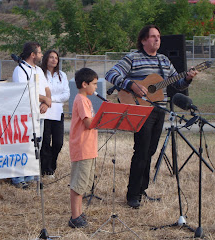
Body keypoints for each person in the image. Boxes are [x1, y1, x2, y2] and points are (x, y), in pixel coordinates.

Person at [105, 25, 198, 208]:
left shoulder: (164, 61)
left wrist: (187, 78)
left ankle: (141, 190)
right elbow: (111, 74)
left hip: (159, 110)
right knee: (141, 151)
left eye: (159, 37)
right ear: (143, 40)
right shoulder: (133, 57)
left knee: (150, 151)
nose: (157, 40)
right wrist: (131, 85)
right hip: (140, 110)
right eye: (153, 37)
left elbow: (177, 84)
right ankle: (132, 194)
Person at [12, 41, 51, 189]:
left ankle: (29, 175)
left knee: (36, 145)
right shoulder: (20, 69)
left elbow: (47, 89)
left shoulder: (39, 71)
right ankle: (18, 177)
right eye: (40, 53)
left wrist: (46, 102)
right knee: (23, 145)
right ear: (32, 54)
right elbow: (25, 90)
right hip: (25, 113)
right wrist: (44, 99)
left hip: (39, 113)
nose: (42, 55)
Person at [68, 68, 98, 228]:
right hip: (82, 148)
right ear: (84, 84)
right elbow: (88, 123)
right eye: (94, 84)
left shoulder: (86, 99)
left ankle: (78, 213)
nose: (96, 87)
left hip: (89, 148)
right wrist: (103, 117)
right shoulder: (81, 99)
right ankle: (75, 217)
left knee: (84, 183)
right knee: (78, 184)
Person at [40, 50, 70, 178]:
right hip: (44, 111)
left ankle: (51, 164)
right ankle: (47, 170)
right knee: (45, 141)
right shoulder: (40, 73)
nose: (54, 60)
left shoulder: (62, 75)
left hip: (58, 112)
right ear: (46, 58)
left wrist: (51, 99)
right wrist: (45, 100)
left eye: (56, 58)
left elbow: (66, 94)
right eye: (51, 57)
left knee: (58, 143)